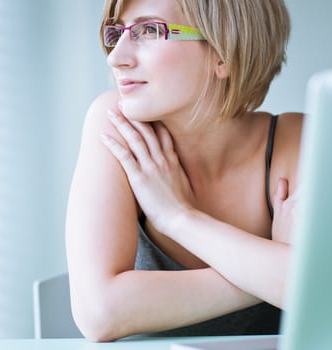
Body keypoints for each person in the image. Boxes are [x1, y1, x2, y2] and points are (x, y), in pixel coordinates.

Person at [65, 0, 303, 342]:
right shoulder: (116, 127)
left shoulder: (296, 142)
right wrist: (277, 277)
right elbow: (99, 313)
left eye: (149, 30)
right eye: (117, 33)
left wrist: (178, 217)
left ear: (224, 53)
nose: (115, 57)